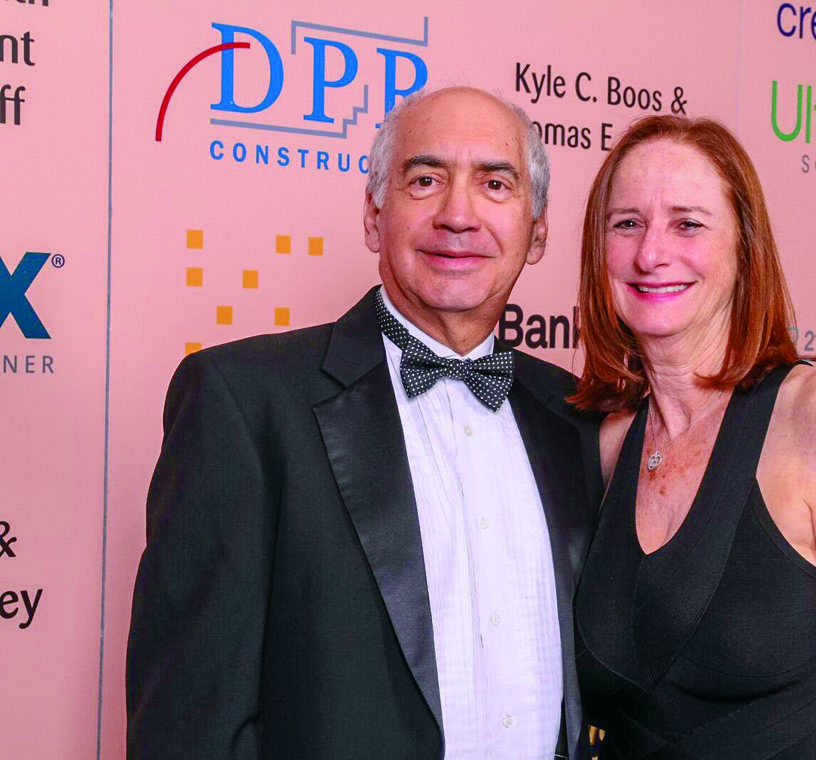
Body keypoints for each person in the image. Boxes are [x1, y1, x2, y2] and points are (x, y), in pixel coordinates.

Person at [126, 87, 601, 760]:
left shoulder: (578, 418)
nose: (458, 215)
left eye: (495, 184)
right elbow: (188, 726)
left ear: (538, 229)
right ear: (375, 216)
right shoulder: (244, 404)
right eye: (425, 179)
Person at [571, 116, 816, 759]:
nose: (651, 254)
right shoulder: (610, 443)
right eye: (626, 223)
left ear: (744, 249)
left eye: (688, 224)